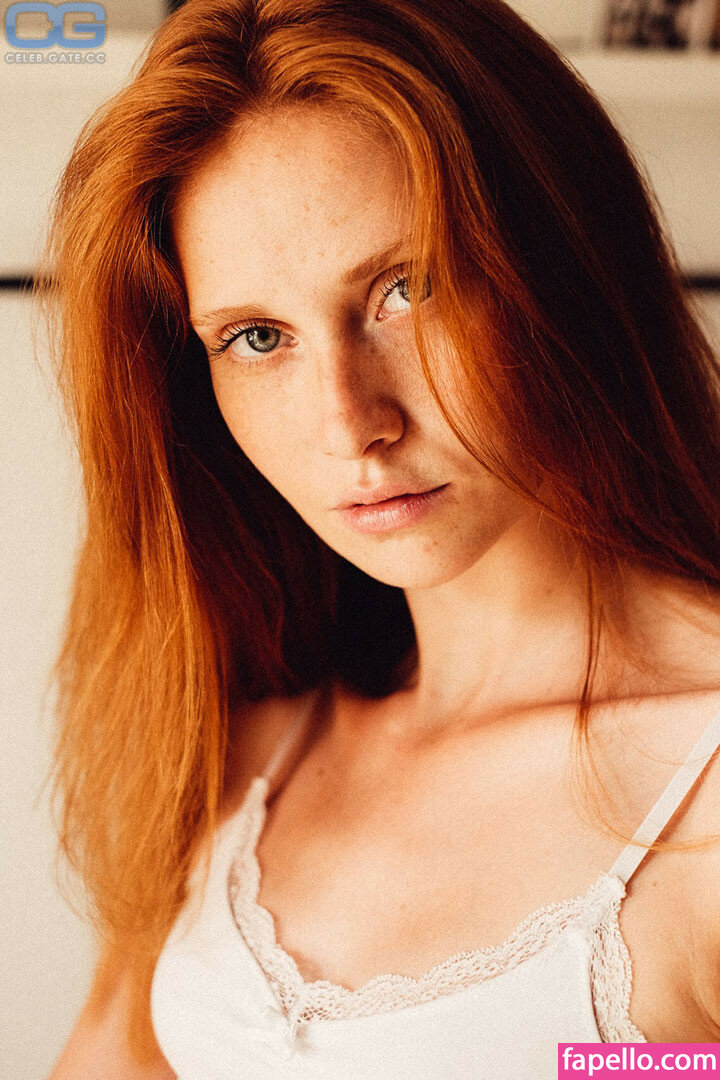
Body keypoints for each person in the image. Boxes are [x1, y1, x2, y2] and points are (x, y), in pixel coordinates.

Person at [45, 0, 720, 1076]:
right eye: (256, 337)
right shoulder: (236, 745)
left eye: (409, 289)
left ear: (567, 264)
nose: (350, 423)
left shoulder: (703, 789)